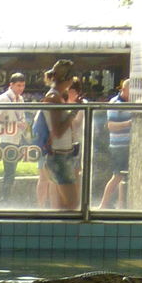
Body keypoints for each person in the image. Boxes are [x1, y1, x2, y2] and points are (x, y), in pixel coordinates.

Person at [37, 62, 84, 212]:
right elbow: (58, 130)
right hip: (59, 157)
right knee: (72, 204)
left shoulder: (55, 96)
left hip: (62, 155)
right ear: (69, 79)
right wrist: (74, 111)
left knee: (65, 206)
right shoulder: (53, 97)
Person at [0, 72, 28, 202]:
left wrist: (23, 124)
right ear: (11, 85)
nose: (21, 88)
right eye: (18, 85)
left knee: (12, 170)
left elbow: (22, 116)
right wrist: (12, 124)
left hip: (17, 138)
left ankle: (6, 196)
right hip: (6, 138)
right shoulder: (3, 98)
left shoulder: (21, 99)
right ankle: (4, 198)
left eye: (23, 85)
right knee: (9, 170)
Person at [100, 77, 133, 209]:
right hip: (119, 146)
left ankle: (120, 203)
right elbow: (111, 126)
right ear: (124, 90)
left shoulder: (132, 102)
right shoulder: (115, 103)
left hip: (127, 144)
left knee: (122, 176)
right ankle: (104, 204)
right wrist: (129, 123)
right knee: (117, 175)